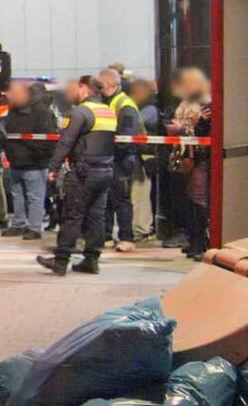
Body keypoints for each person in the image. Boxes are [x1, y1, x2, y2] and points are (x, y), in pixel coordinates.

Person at [37, 75, 116, 276]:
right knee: (96, 216)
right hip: (105, 171)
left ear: (84, 88)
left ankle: (61, 261)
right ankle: (92, 260)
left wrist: (53, 168)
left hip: (83, 172)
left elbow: (66, 142)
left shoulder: (80, 112)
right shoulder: (108, 111)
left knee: (72, 215)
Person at [165, 66, 214, 258]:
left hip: (199, 156)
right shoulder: (186, 102)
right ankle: (193, 240)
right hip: (184, 154)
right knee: (188, 199)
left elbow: (204, 131)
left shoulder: (206, 103)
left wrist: (187, 126)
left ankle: (200, 242)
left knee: (198, 199)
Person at [1, 80, 57, 240]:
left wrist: (33, 153)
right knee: (17, 194)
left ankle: (34, 227)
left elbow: (47, 138)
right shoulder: (13, 109)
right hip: (16, 161)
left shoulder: (40, 111)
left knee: (35, 197)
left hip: (35, 163)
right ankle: (19, 224)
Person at [95, 68, 143, 252]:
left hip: (122, 159)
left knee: (121, 199)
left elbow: (127, 138)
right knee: (105, 198)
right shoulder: (108, 102)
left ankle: (126, 237)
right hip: (109, 158)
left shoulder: (125, 105)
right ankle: (106, 236)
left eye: (100, 85)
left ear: (110, 85)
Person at [129, 77, 160, 241]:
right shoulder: (148, 107)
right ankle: (141, 228)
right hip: (142, 155)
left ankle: (142, 228)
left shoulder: (148, 109)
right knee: (139, 193)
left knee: (141, 193)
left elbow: (136, 124)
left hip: (145, 156)